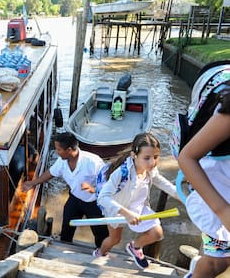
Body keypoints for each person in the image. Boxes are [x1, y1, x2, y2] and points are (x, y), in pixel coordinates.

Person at [96, 132, 179, 269]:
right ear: (134, 155)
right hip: (118, 210)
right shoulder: (121, 173)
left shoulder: (150, 169)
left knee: (157, 233)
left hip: (138, 208)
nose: (152, 162)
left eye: (156, 157)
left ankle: (134, 247)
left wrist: (182, 196)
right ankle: (100, 253)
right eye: (147, 158)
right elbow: (103, 198)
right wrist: (126, 213)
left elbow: (162, 182)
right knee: (115, 239)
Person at [21, 132, 109, 247]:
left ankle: (102, 252)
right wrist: (33, 183)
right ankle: (63, 246)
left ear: (69, 150)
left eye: (59, 149)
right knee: (67, 228)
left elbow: (108, 184)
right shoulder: (62, 161)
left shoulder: (93, 162)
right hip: (75, 199)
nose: (57, 152)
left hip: (93, 203)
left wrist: (93, 189)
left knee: (100, 232)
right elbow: (50, 173)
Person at [178, 87, 230, 278]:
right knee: (217, 262)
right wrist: (223, 211)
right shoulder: (227, 115)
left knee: (221, 261)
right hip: (216, 200)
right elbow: (187, 158)